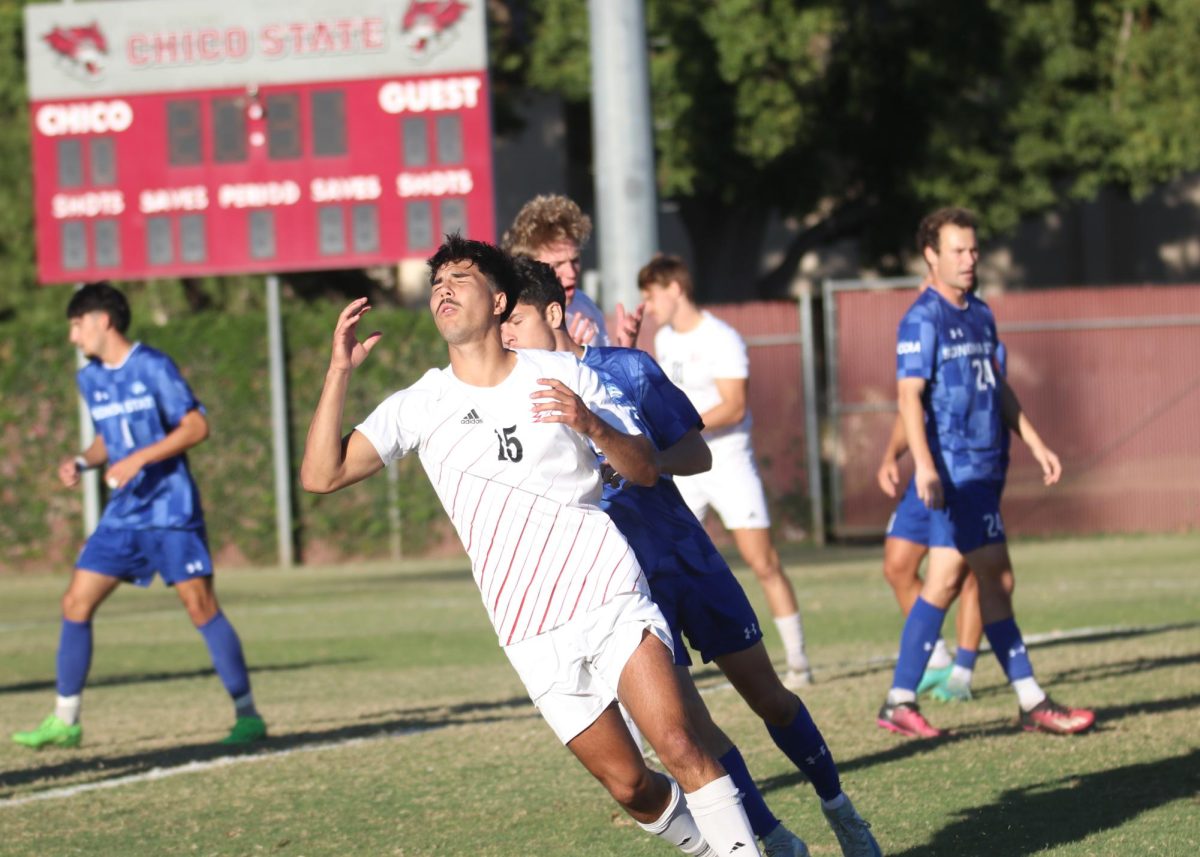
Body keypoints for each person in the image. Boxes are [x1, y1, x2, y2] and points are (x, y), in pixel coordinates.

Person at [299, 234, 758, 856]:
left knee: (678, 744)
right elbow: (321, 476)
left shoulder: (562, 372)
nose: (443, 289)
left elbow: (646, 468)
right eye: (437, 283)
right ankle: (711, 848)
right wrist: (337, 371)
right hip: (528, 628)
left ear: (499, 301)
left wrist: (591, 424)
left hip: (609, 595)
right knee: (629, 787)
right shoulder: (421, 403)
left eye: (459, 279)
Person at [501, 257, 882, 857]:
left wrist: (630, 453)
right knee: (691, 732)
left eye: (514, 321)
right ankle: (776, 840)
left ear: (553, 315)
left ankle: (842, 811)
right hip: (624, 590)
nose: (506, 337)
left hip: (685, 559)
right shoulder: (514, 402)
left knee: (769, 698)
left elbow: (696, 456)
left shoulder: (627, 369)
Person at [12, 282, 265, 750]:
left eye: (76, 325)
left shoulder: (153, 365)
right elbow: (111, 436)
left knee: (200, 607)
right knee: (75, 603)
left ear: (101, 320)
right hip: (124, 514)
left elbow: (196, 425)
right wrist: (85, 461)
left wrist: (141, 459)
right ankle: (65, 720)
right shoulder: (89, 378)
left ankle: (247, 714)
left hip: (171, 510)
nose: (73, 337)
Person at [876, 207, 1095, 738]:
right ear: (931, 255)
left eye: (973, 250)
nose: (969, 259)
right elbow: (909, 397)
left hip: (985, 466)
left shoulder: (980, 313)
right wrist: (923, 465)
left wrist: (1037, 441)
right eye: (958, 250)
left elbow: (999, 390)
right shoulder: (922, 319)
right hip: (956, 472)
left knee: (962, 578)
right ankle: (1031, 700)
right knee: (989, 578)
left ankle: (901, 700)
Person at [639, 255, 813, 688]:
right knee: (669, 564)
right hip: (687, 466)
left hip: (729, 463)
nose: (648, 303)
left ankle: (798, 661)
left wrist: (681, 428)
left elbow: (734, 406)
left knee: (763, 562)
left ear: (675, 289)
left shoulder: (722, 338)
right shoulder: (663, 340)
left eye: (652, 293)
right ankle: (674, 670)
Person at [502, 193, 642, 348]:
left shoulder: (586, 307)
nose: (571, 272)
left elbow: (605, 371)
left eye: (575, 260)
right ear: (529, 266)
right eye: (557, 265)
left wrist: (626, 348)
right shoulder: (509, 317)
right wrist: (568, 358)